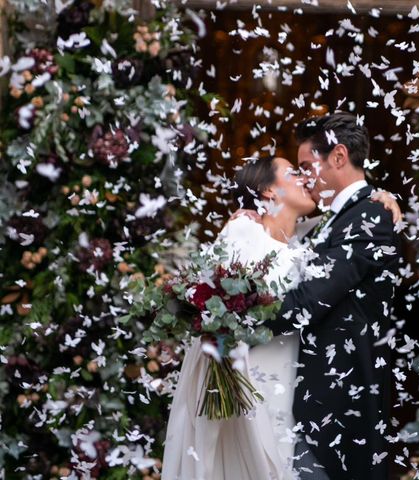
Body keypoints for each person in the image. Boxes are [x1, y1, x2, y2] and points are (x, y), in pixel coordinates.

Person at [161, 149, 400, 480]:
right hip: (250, 392)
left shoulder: (309, 240)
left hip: (291, 393)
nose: (305, 178)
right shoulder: (243, 232)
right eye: (294, 172)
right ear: (268, 191)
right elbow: (220, 310)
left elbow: (349, 213)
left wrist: (379, 195)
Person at [267, 112, 401, 480]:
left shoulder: (369, 218)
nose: (303, 177)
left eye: (306, 166)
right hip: (312, 400)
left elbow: (309, 302)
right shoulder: (333, 219)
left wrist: (238, 316)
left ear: (338, 157)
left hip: (341, 406)